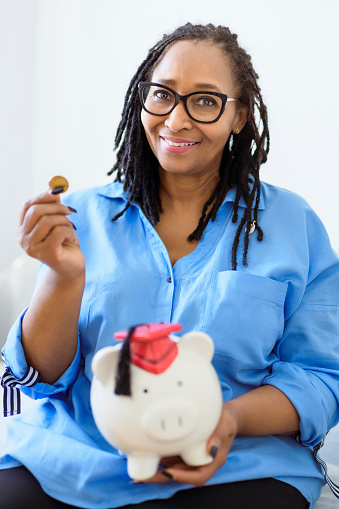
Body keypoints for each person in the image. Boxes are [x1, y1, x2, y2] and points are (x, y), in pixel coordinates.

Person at [0, 22, 338, 509]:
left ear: (239, 115)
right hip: (76, 454)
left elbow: (319, 377)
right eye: (162, 95)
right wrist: (62, 277)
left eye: (204, 101)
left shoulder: (293, 225)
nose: (176, 121)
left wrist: (227, 421)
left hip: (239, 464)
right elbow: (43, 377)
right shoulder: (82, 218)